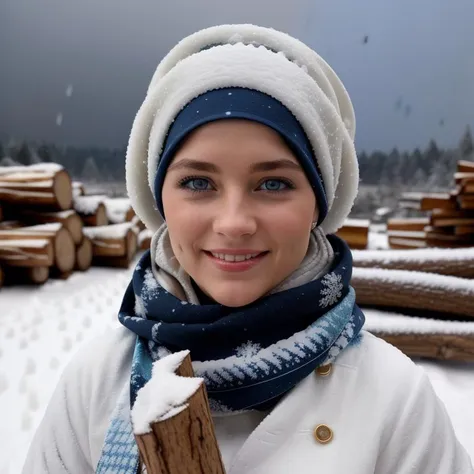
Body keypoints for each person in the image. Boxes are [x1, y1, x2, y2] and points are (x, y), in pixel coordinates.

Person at [23, 24, 473, 473]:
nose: (235, 222)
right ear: (160, 202)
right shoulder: (96, 383)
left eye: (273, 183)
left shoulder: (395, 401)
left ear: (319, 203)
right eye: (198, 182)